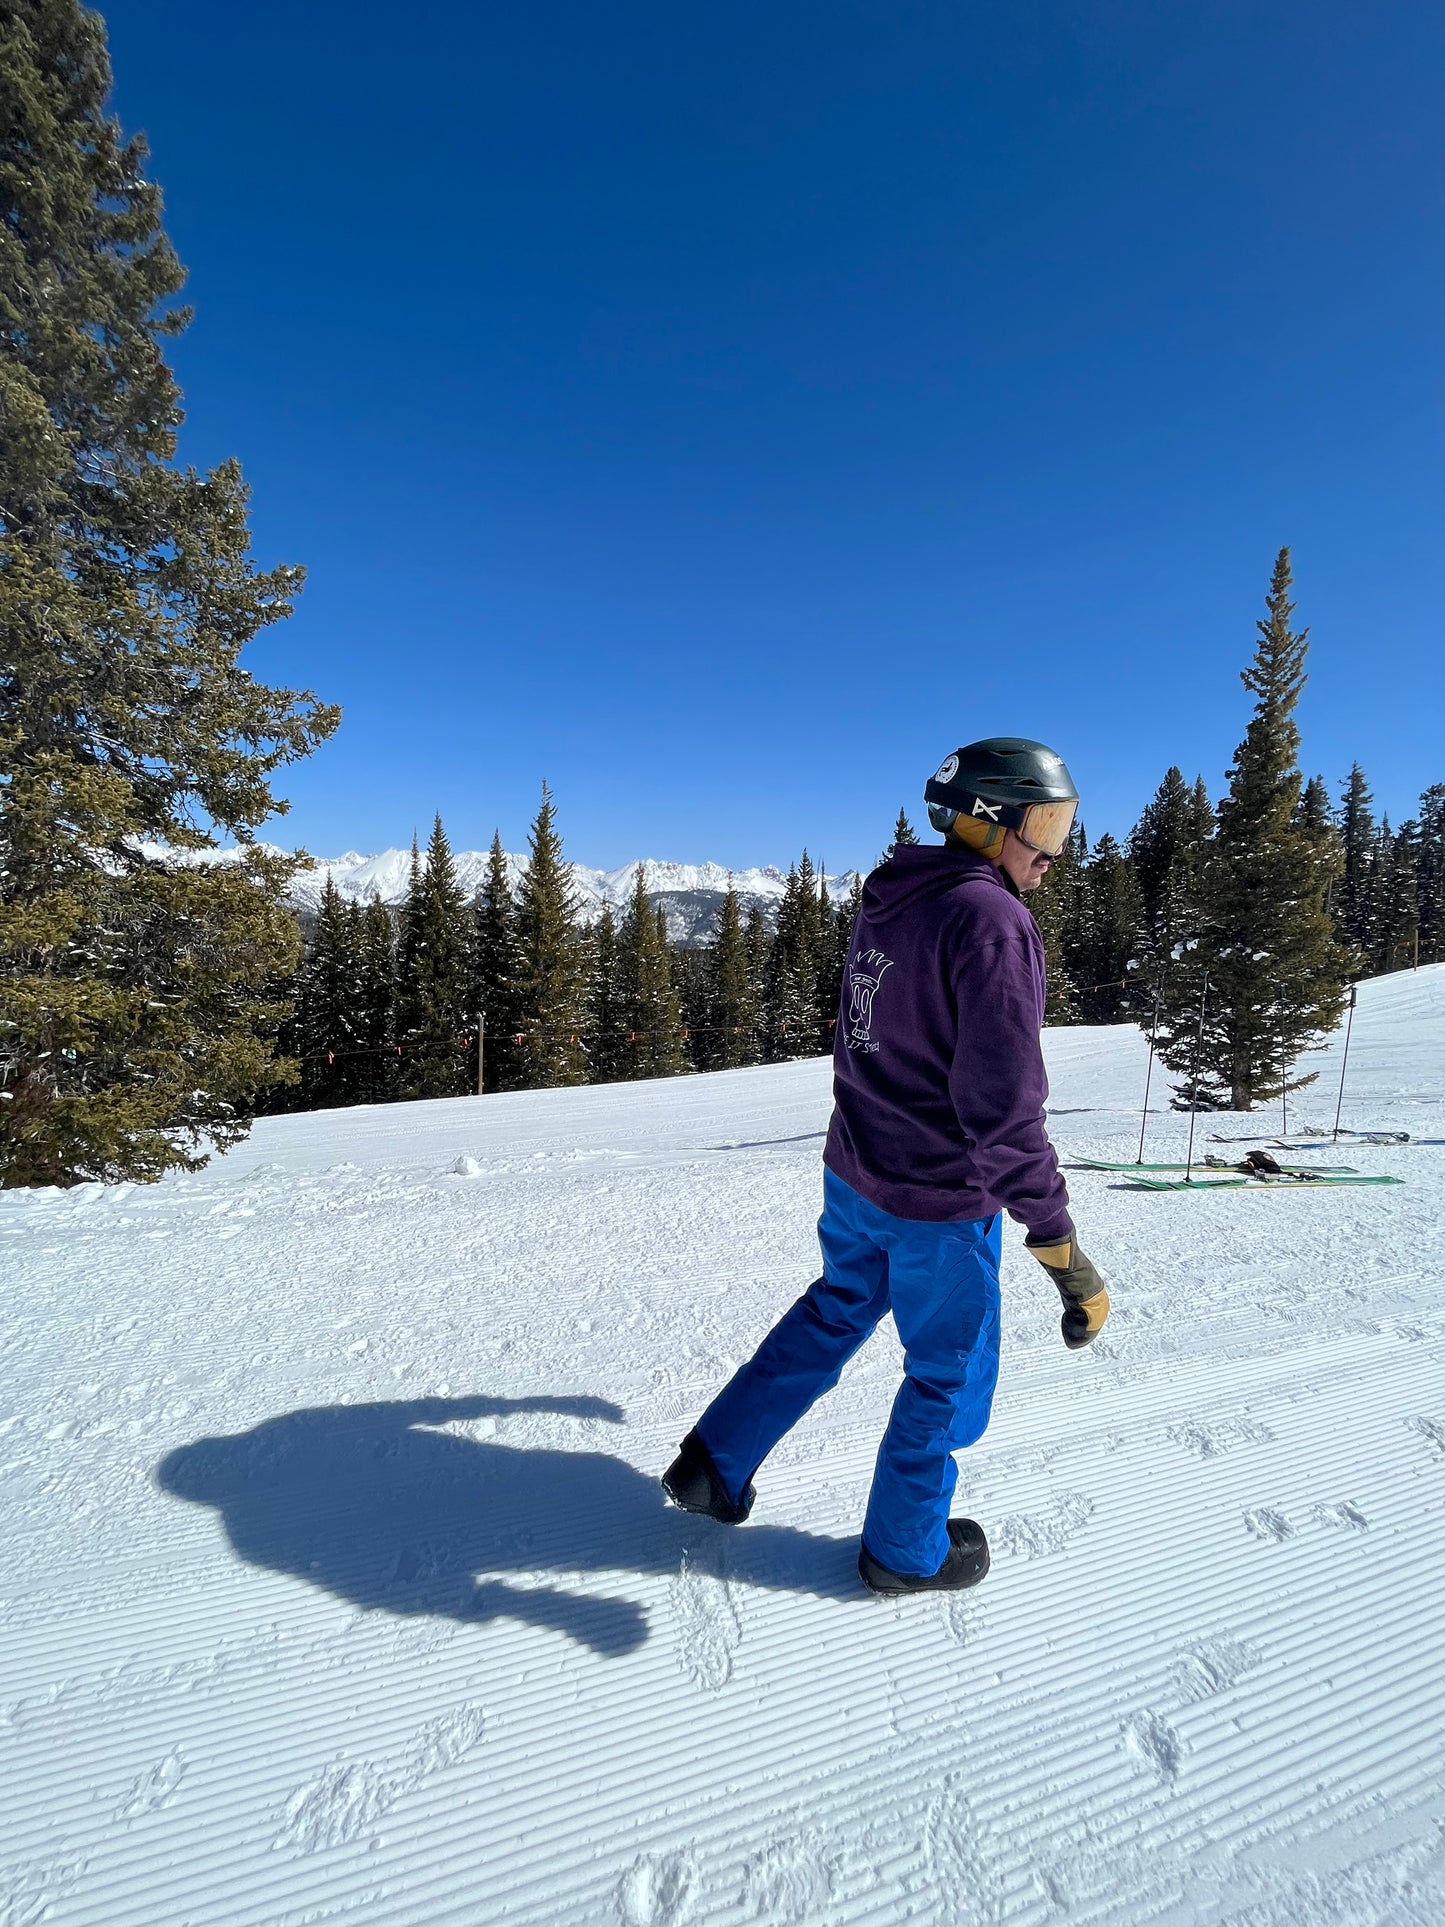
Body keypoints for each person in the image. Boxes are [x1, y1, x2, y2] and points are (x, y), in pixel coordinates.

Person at [662, 738, 1110, 1596]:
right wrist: (1062, 1248)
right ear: (986, 822)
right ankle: (905, 1551)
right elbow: (1005, 1115)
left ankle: (712, 1465)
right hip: (937, 1202)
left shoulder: (896, 888)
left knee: (834, 1309)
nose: (1054, 852)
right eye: (1044, 825)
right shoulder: (990, 921)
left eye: (1063, 825)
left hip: (856, 1174)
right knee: (947, 1369)